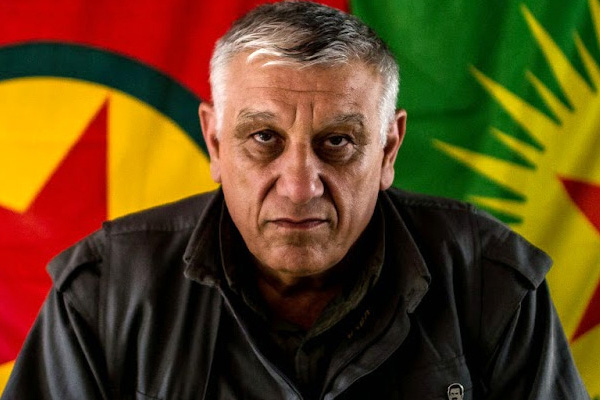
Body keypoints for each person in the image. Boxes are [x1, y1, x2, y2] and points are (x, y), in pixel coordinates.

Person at [2, 1, 590, 399]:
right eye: (264, 139)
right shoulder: (103, 292)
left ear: (388, 149)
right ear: (215, 142)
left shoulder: (493, 281)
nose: (301, 185)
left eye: (338, 142)